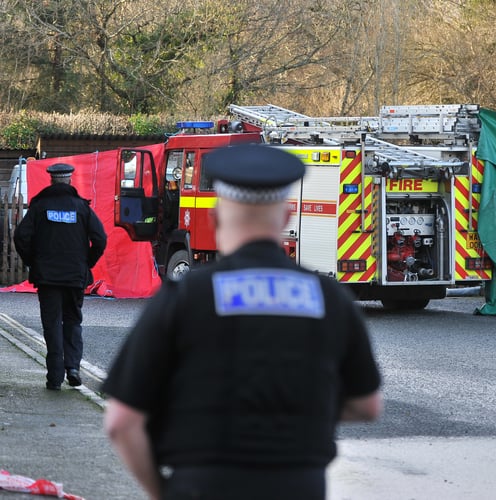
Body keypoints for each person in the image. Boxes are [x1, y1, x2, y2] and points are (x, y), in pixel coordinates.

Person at [102, 144, 382, 500]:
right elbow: (367, 406)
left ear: (217, 216)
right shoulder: (330, 299)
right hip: (299, 486)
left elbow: (121, 422)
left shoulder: (186, 297)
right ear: (284, 218)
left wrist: (162, 491)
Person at [13, 163, 107, 391]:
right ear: (70, 181)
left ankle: (54, 377)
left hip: (47, 278)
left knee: (52, 324)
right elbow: (100, 238)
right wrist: (87, 263)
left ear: (51, 181)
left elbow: (20, 237)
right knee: (73, 321)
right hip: (75, 275)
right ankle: (73, 368)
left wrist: (33, 261)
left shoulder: (40, 207)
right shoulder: (82, 208)